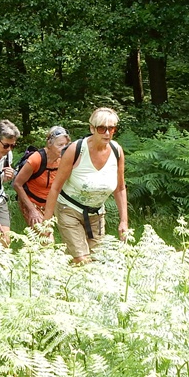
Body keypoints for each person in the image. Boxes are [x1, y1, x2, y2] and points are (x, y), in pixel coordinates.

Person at [43, 108, 129, 263]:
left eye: (111, 128)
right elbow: (55, 187)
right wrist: (46, 225)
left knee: (98, 262)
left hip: (96, 214)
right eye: (102, 128)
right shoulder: (76, 149)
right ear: (92, 128)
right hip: (68, 209)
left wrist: (124, 221)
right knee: (82, 260)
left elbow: (120, 188)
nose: (107, 133)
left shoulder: (117, 151)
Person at [13, 125, 71, 232]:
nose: (64, 148)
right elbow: (17, 184)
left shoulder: (64, 159)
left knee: (44, 239)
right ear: (50, 144)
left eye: (66, 145)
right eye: (60, 145)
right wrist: (32, 210)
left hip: (49, 205)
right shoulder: (36, 159)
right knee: (45, 239)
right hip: (31, 202)